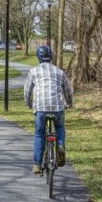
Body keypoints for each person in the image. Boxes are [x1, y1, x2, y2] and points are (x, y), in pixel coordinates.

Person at [23, 45, 73, 174]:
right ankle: (60, 146)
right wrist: (69, 103)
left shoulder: (33, 72)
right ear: (51, 57)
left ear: (39, 58)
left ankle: (37, 165)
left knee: (39, 134)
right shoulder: (59, 71)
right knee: (60, 127)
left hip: (40, 108)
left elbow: (27, 92)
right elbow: (68, 91)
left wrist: (28, 104)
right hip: (57, 107)